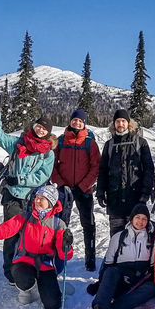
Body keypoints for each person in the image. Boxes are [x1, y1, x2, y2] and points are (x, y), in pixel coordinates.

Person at [0, 95, 56, 284]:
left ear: (48, 133)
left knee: (31, 234)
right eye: (39, 126)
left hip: (34, 199)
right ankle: (10, 270)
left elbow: (42, 176)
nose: (41, 130)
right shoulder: (19, 143)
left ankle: (27, 268)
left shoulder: (48, 154)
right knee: (11, 233)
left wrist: (19, 178)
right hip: (12, 196)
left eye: (44, 129)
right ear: (34, 126)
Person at [0, 185, 73, 309]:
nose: (37, 200)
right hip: (25, 261)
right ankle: (28, 290)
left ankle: (50, 285)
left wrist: (66, 244)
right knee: (20, 274)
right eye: (37, 197)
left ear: (50, 202)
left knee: (52, 304)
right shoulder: (25, 217)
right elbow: (3, 231)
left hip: (46, 265)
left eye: (42, 198)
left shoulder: (58, 224)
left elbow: (65, 255)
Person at [84, 203, 155, 309]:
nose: (140, 222)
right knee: (111, 272)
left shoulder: (152, 239)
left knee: (152, 288)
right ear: (131, 219)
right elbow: (108, 264)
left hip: (138, 280)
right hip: (119, 279)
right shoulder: (118, 237)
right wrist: (102, 284)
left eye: (144, 219)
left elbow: (153, 266)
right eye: (137, 217)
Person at [51, 108, 101, 271]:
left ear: (84, 123)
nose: (77, 123)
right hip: (64, 190)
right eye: (74, 120)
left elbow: (96, 167)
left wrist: (83, 185)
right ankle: (58, 256)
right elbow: (52, 164)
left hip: (83, 190)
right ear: (70, 121)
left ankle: (90, 258)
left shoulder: (89, 143)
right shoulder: (61, 140)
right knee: (60, 224)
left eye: (80, 121)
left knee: (88, 224)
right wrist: (60, 183)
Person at [97, 109, 155, 236]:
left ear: (128, 123)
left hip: (135, 197)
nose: (120, 124)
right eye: (118, 121)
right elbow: (103, 171)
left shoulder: (140, 142)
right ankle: (116, 256)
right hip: (114, 198)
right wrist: (100, 191)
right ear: (114, 124)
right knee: (116, 235)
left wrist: (146, 191)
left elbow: (149, 169)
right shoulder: (109, 145)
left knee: (135, 234)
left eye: (123, 121)